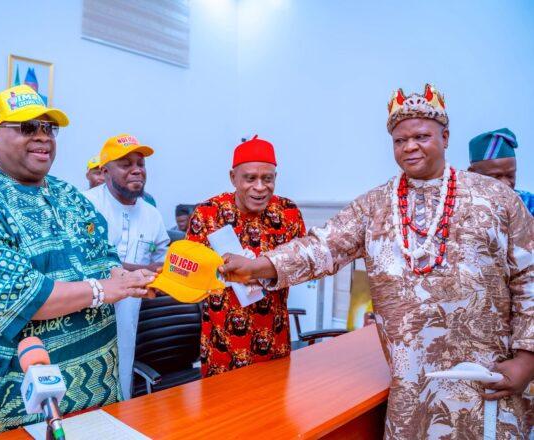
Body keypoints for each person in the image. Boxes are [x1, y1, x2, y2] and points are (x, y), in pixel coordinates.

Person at [220, 85, 533, 438]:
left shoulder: (496, 199)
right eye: (400, 141)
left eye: (421, 136)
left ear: (445, 137)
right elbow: (321, 247)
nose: (410, 147)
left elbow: (530, 277)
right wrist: (256, 266)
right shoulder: (375, 206)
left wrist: (527, 360)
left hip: (487, 383)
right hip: (412, 389)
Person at [0, 85, 156, 439]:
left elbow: (105, 255)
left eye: (49, 128)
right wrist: (104, 289)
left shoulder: (69, 195)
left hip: (95, 397)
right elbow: (22, 298)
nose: (42, 137)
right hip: (3, 412)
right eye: (27, 127)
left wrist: (133, 279)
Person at [185, 135, 306, 377]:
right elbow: (191, 273)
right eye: (250, 178)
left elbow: (303, 266)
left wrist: (262, 271)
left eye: (267, 179)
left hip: (274, 342)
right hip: (222, 346)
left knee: (273, 399)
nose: (260, 187)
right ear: (233, 178)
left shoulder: (288, 213)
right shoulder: (207, 214)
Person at [83, 133, 169, 400]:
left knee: (120, 387)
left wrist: (158, 269)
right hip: (85, 315)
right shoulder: (85, 205)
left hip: (128, 320)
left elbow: (162, 260)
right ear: (105, 172)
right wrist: (140, 269)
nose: (136, 170)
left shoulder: (152, 215)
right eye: (126, 164)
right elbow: (88, 261)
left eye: (140, 164)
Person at [468, 128, 534, 215]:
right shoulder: (461, 206)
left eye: (510, 176)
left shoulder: (529, 204)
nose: (506, 183)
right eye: (496, 177)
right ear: (472, 174)